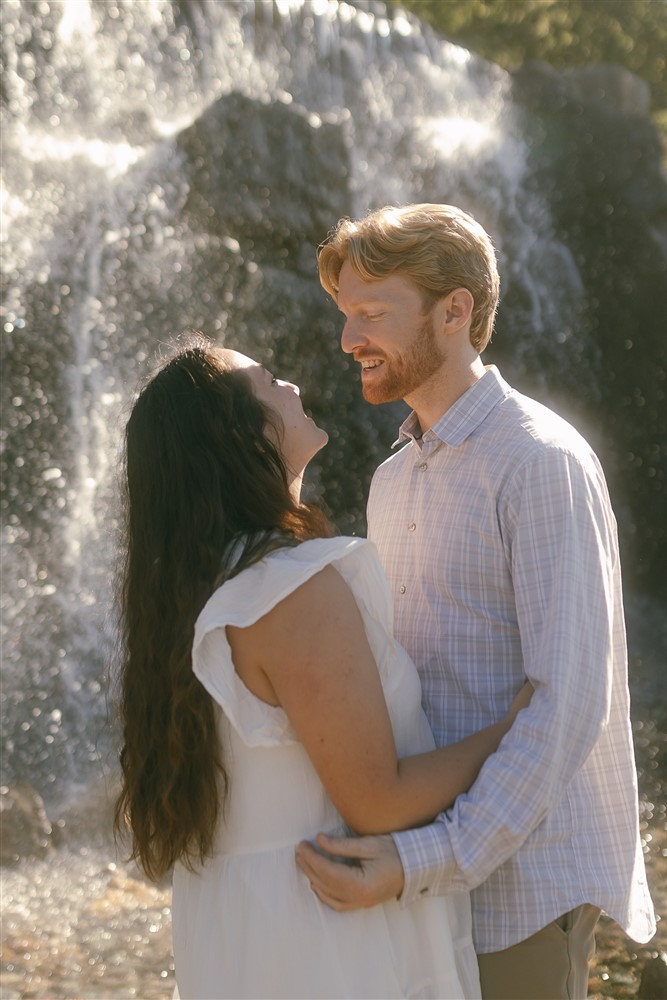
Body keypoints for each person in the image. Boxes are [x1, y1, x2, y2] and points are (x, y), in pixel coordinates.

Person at [295, 203, 656, 1000]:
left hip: (520, 887)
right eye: (344, 316)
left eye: (369, 314)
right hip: (422, 882)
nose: (348, 340)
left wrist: (426, 859)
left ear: (453, 311)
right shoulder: (391, 478)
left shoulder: (539, 462)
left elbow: (568, 706)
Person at [113, 334, 533, 1000]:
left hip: (248, 926)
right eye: (267, 382)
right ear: (238, 437)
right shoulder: (289, 588)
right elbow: (377, 801)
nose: (292, 387)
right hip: (325, 937)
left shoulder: (202, 588)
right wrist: (514, 726)